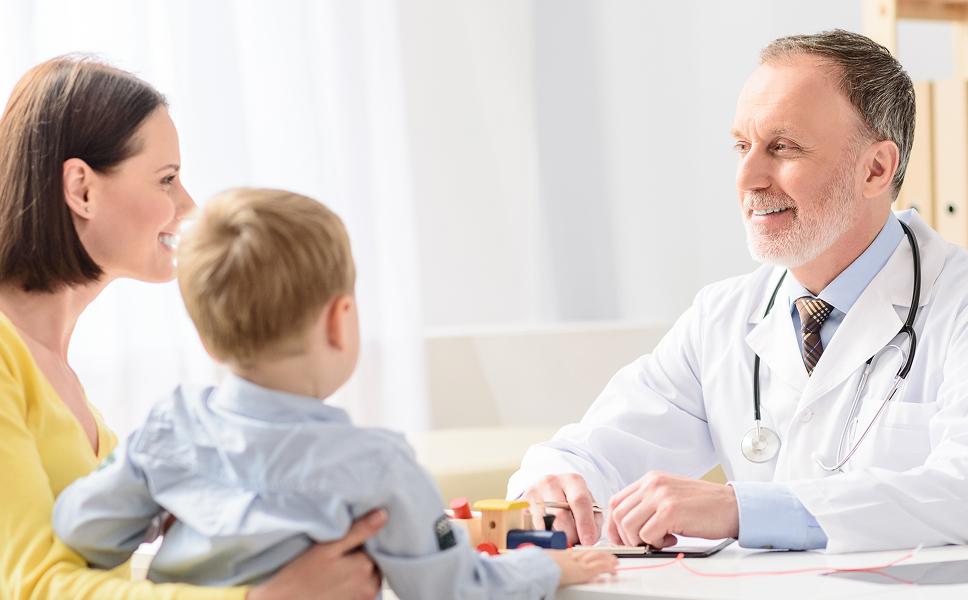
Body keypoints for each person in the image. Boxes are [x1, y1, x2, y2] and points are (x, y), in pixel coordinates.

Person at [508, 29, 968, 555]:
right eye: (742, 146)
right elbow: (593, 450)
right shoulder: (723, 317)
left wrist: (740, 508)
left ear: (876, 168)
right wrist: (555, 485)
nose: (747, 177)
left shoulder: (956, 303)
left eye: (783, 147)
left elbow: (959, 491)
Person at [51, 188, 618, 597]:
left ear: (203, 336)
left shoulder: (168, 430)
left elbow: (82, 529)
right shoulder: (378, 466)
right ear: (339, 320)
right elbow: (453, 588)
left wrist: (160, 505)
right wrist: (550, 569)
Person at [0, 55, 384, 600]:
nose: (189, 206)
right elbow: (32, 588)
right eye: (167, 179)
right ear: (81, 188)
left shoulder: (56, 371)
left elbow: (83, 575)